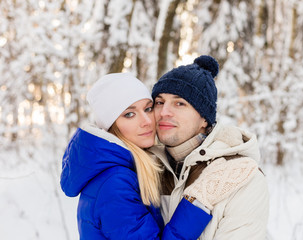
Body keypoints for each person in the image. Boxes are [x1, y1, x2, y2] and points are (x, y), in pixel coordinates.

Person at [60, 73, 241, 239]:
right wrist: (198, 201)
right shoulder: (115, 184)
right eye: (129, 114)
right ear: (111, 126)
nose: (147, 122)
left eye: (148, 109)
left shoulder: (125, 171)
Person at [149, 55, 270, 239]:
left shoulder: (241, 178)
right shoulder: (147, 168)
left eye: (179, 103)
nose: (164, 112)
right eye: (159, 102)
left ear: (204, 119)